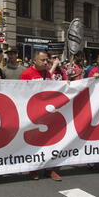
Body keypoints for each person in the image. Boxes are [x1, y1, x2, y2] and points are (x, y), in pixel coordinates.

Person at [20, 50, 62, 181]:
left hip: (47, 113)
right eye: (42, 60)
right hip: (32, 113)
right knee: (33, 142)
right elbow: (20, 93)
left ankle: (50, 169)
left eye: (46, 60)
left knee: (49, 141)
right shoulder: (26, 74)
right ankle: (33, 169)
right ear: (34, 61)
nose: (45, 62)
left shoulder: (47, 73)